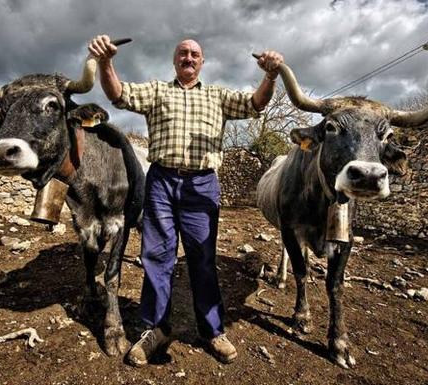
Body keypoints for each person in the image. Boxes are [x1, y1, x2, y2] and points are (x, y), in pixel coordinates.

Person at [88, 35, 283, 366]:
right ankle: (156, 330)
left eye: (195, 54)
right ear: (174, 61)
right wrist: (106, 62)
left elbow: (255, 104)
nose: (189, 58)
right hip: (162, 181)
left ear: (202, 62)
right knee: (156, 256)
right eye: (183, 53)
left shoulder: (217, 96)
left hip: (202, 185)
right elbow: (119, 95)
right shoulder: (158, 92)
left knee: (202, 258)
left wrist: (271, 75)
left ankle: (212, 331)